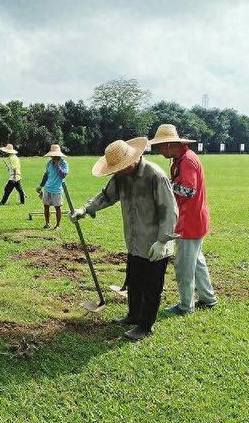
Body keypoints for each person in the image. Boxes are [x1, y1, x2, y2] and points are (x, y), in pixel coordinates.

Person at [70, 138, 178, 341]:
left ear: (132, 161)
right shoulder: (122, 177)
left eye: (119, 167)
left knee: (151, 287)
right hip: (135, 241)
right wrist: (85, 209)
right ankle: (133, 315)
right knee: (134, 282)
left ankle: (145, 326)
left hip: (156, 244)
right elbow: (106, 196)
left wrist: (163, 240)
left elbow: (170, 211)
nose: (116, 172)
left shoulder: (155, 176)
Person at [150, 124, 218, 314]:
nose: (160, 150)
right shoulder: (182, 159)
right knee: (196, 261)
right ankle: (208, 298)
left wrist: (165, 184)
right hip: (195, 219)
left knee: (184, 266)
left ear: (171, 144)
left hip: (190, 222)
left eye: (161, 146)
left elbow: (188, 190)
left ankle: (186, 306)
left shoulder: (187, 161)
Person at [36, 144, 69, 229]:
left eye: (55, 155)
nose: (53, 157)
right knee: (46, 206)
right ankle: (47, 223)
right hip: (47, 188)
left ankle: (57, 225)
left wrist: (58, 165)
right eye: (52, 155)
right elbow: (46, 175)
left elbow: (63, 175)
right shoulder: (49, 163)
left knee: (57, 207)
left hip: (57, 190)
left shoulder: (64, 163)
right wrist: (41, 186)